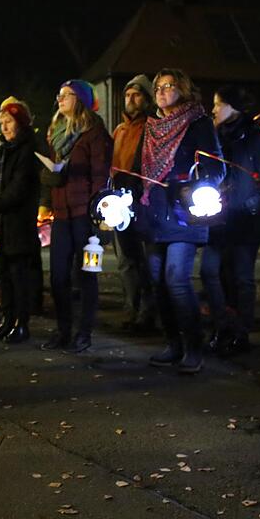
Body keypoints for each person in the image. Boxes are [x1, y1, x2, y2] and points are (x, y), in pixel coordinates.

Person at [134, 68, 223, 375]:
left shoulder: (198, 123)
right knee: (157, 282)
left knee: (176, 280)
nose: (161, 91)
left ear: (182, 89)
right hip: (153, 213)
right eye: (158, 86)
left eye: (168, 85)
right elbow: (138, 167)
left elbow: (216, 168)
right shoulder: (150, 127)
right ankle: (173, 344)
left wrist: (190, 185)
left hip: (183, 215)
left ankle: (194, 347)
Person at [40, 79, 112, 353]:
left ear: (80, 100)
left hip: (85, 215)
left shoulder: (95, 134)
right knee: (58, 277)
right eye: (59, 94)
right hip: (62, 215)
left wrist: (100, 219)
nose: (60, 99)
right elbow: (52, 171)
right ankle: (63, 330)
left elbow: (100, 177)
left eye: (67, 95)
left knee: (86, 275)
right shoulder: (55, 133)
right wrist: (48, 179)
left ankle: (84, 333)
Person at [202, 84, 260, 357]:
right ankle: (223, 323)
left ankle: (241, 332)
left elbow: (255, 174)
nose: (214, 109)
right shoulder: (213, 135)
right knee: (210, 271)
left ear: (233, 106)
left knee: (242, 276)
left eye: (219, 104)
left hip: (244, 215)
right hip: (218, 215)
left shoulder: (254, 135)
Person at [0, 99, 41, 344]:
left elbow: (19, 189)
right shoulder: (0, 149)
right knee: (2, 275)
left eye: (9, 122)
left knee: (18, 277)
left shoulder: (27, 150)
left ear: (20, 123)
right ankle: (6, 320)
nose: (4, 127)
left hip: (17, 224)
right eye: (1, 123)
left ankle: (21, 324)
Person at [110, 74, 157, 332]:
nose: (131, 99)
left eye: (137, 94)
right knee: (125, 259)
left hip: (142, 200)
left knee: (146, 259)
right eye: (128, 95)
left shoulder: (151, 127)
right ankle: (131, 308)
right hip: (119, 200)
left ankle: (148, 312)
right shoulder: (119, 130)